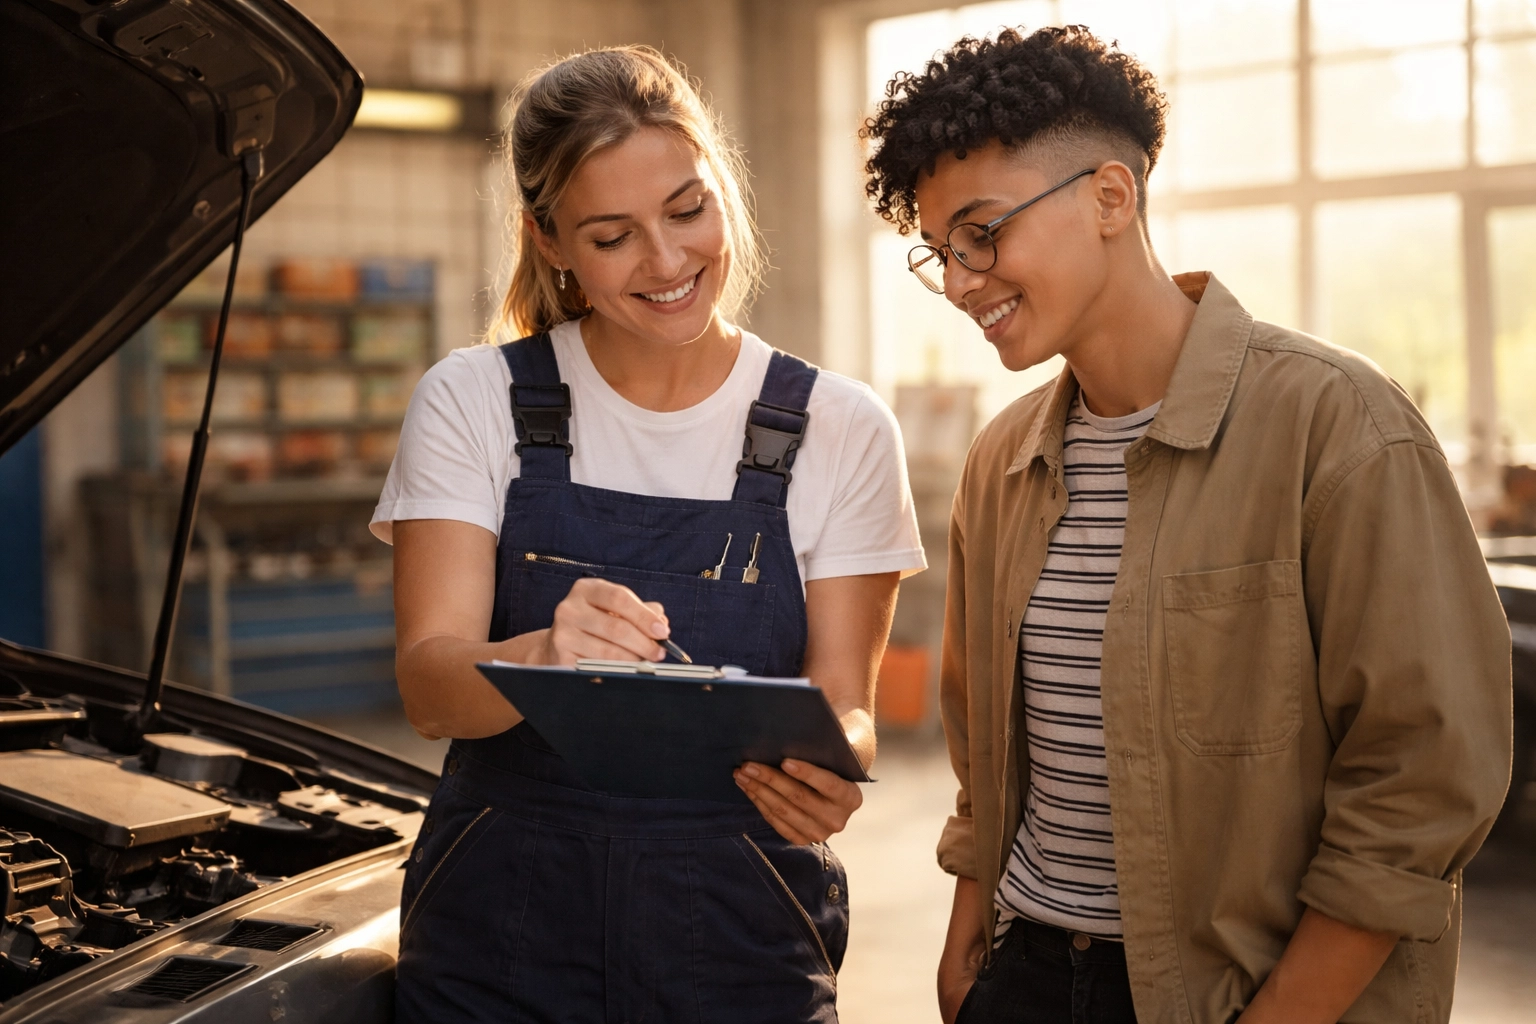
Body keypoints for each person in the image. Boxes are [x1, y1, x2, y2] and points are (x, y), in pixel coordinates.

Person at [860, 24, 1511, 1024]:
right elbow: (984, 754)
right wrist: (967, 953)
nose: (959, 280)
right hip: (1025, 971)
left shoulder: (1339, 426)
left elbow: (1419, 784)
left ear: (1111, 198)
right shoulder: (1003, 463)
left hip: (1249, 994)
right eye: (940, 253)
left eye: (983, 233)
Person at [375, 46, 925, 1024]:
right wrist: (541, 653)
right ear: (550, 243)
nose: (669, 262)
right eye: (613, 235)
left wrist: (833, 768)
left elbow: (849, 702)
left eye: (686, 210)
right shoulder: (474, 400)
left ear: (722, 192)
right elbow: (427, 687)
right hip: (498, 946)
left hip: (741, 937)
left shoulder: (841, 428)